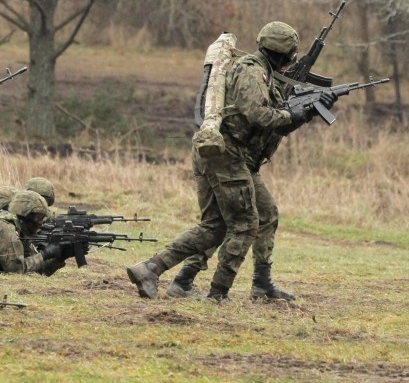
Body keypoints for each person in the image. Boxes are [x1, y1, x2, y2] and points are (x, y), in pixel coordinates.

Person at [127, 22, 337, 301]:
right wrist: (292, 115)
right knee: (243, 224)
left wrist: (307, 112)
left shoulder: (265, 74)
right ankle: (217, 293)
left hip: (234, 157)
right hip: (226, 155)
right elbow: (258, 115)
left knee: (256, 216)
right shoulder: (252, 71)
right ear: (282, 54)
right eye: (291, 55)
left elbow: (275, 126)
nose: (293, 61)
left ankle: (156, 271)